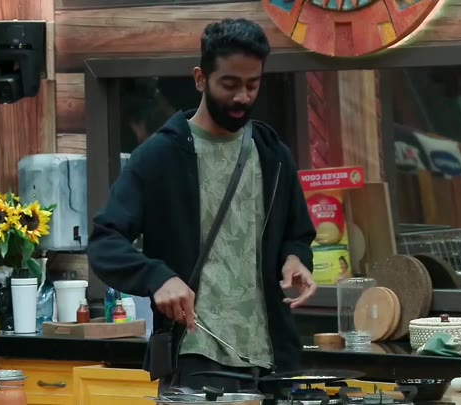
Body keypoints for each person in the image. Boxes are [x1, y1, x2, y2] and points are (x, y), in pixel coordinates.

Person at [88, 18, 317, 392]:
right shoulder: (159, 157)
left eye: (252, 85)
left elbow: (297, 233)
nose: (242, 96)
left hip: (275, 359)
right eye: (229, 84)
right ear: (200, 79)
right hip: (196, 355)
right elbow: (104, 241)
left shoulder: (273, 154)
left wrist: (295, 259)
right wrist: (158, 278)